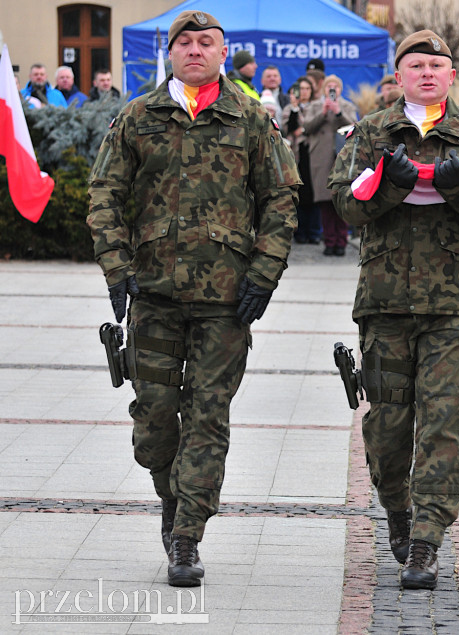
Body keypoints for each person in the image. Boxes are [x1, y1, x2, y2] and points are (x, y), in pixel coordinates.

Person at [86, 9, 299, 587]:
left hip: (226, 300)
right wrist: (116, 266)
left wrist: (265, 271)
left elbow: (280, 200)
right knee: (155, 423)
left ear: (222, 53)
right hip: (152, 294)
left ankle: (187, 536)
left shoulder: (251, 118)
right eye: (187, 42)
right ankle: (171, 498)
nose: (197, 50)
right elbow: (104, 191)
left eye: (208, 42)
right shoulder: (137, 117)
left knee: (207, 417)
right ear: (171, 52)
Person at [328, 30, 459, 590]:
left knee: (442, 422)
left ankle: (428, 539)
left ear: (452, 75)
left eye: (437, 65)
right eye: (417, 65)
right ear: (400, 75)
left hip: (455, 304)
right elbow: (343, 201)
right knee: (387, 426)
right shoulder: (371, 131)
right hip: (385, 302)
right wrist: (386, 187)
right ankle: (398, 514)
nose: (428, 73)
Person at [312, 74, 358, 256]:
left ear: (340, 89)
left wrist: (338, 112)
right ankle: (329, 241)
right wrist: (323, 112)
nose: (332, 89)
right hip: (321, 158)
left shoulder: (347, 106)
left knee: (341, 200)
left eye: (335, 86)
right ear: (324, 89)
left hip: (341, 157)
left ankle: (341, 241)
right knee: (325, 202)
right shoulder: (315, 106)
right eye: (328, 86)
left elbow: (353, 127)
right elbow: (307, 127)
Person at [282, 76, 322, 244]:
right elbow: (288, 128)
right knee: (298, 192)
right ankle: (300, 232)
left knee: (314, 193)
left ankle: (314, 232)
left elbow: (314, 126)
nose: (303, 92)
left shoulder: (317, 107)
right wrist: (294, 108)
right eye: (300, 89)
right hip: (296, 155)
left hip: (312, 153)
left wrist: (303, 129)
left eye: (307, 88)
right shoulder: (289, 108)